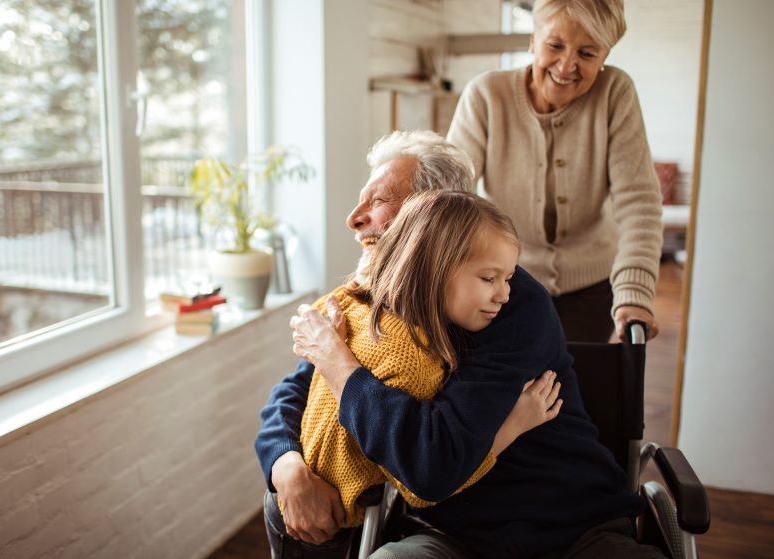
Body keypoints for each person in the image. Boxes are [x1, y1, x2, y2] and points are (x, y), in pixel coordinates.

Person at [258, 130, 665, 558]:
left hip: (572, 528)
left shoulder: (511, 306)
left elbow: (430, 466)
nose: (354, 219)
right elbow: (297, 390)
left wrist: (336, 360)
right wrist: (287, 465)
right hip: (448, 534)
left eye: (378, 201)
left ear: (436, 213)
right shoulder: (377, 295)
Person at [267, 190, 563, 556]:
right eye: (490, 278)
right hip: (332, 517)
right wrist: (509, 428)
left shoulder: (356, 308)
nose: (504, 294)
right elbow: (422, 483)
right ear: (434, 261)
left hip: (313, 504)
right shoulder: (407, 353)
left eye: (508, 279)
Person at [446, 0, 663, 342]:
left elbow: (639, 204)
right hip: (507, 283)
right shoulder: (486, 95)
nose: (566, 66)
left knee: (578, 374)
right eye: (555, 45)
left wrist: (635, 295)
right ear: (533, 40)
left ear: (605, 56)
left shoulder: (615, 93)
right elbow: (449, 191)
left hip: (592, 289)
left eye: (587, 53)